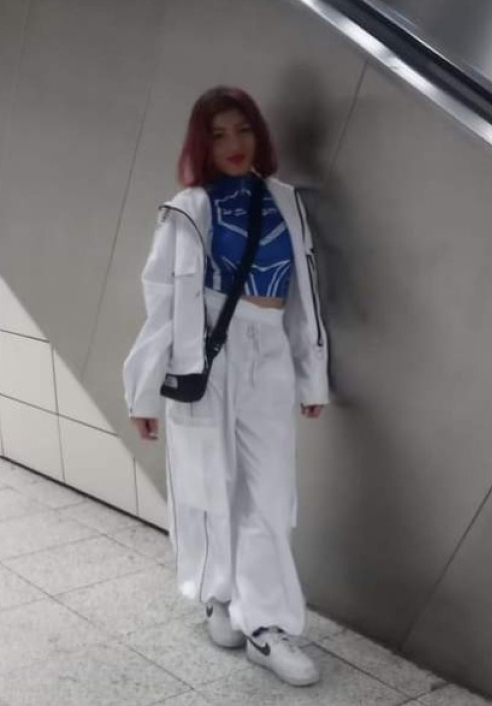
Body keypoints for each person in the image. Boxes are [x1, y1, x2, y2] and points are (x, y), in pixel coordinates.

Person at [123, 86, 329, 687]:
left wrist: (310, 374)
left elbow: (304, 295)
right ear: (202, 145)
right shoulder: (187, 209)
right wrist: (143, 389)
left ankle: (266, 626)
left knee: (269, 492)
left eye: (242, 130)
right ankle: (217, 594)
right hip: (207, 354)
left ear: (259, 134)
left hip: (269, 352)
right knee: (209, 483)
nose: (234, 144)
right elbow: (161, 304)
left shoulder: (286, 202)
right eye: (218, 135)